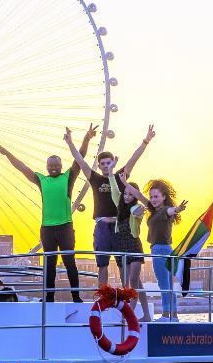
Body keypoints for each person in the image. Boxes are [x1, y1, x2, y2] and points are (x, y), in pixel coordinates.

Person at [64, 123, 156, 321]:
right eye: (103, 164)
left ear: (113, 162)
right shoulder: (95, 178)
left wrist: (146, 140)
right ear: (99, 165)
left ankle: (126, 302)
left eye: (109, 163)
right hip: (102, 226)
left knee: (125, 269)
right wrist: (71, 143)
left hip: (120, 227)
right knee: (102, 266)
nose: (106, 166)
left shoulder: (120, 176)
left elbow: (134, 158)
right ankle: (103, 301)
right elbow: (79, 160)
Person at [0, 136, 84, 302]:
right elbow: (22, 168)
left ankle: (76, 296)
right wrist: (6, 153)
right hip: (47, 229)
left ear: (61, 166)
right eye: (51, 165)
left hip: (65, 227)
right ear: (47, 167)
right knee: (49, 264)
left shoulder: (68, 178)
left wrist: (85, 138)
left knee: (70, 263)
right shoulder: (41, 180)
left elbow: (79, 159)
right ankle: (49, 297)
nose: (54, 167)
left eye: (57, 165)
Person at [125, 179, 188, 322]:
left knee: (163, 283)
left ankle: (167, 315)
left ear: (164, 197)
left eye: (156, 197)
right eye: (152, 197)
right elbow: (138, 195)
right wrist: (124, 182)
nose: (153, 200)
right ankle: (174, 315)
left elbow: (172, 210)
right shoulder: (154, 210)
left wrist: (178, 209)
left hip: (160, 249)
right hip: (163, 249)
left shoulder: (166, 210)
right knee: (168, 283)